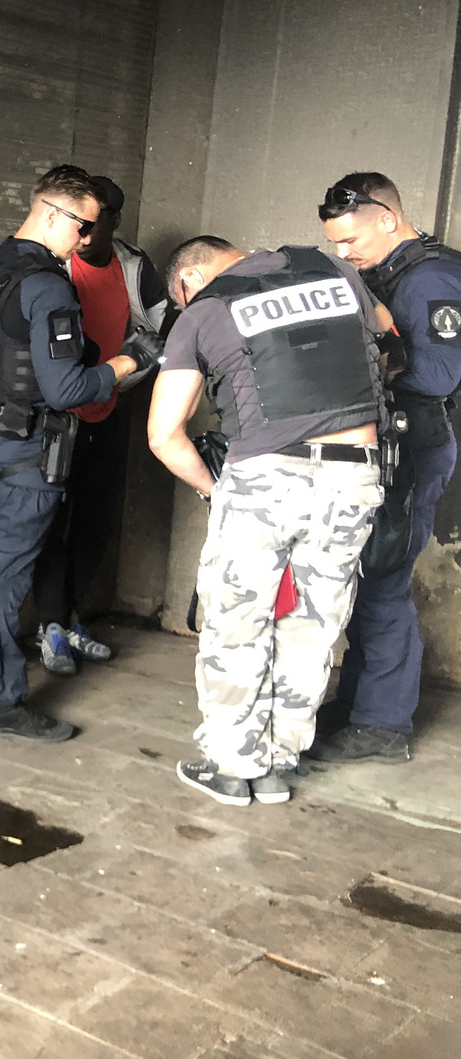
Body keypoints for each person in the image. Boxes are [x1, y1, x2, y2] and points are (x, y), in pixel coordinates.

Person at [149, 235, 388, 806]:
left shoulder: (205, 309)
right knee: (312, 626)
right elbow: (385, 331)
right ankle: (279, 764)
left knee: (238, 622)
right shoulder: (330, 267)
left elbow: (163, 435)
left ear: (187, 282)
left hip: (264, 479)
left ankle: (233, 769)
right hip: (355, 474)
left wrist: (215, 490)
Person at [0, 165, 157, 741]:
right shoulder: (48, 284)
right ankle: (1, 703)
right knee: (4, 576)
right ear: (54, 215)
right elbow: (68, 389)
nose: (86, 241)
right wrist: (131, 360)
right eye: (82, 227)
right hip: (27, 449)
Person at [313, 174, 461, 764]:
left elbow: (438, 377)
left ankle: (383, 723)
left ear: (388, 219)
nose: (344, 253)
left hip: (413, 446)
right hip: (381, 444)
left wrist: (352, 365)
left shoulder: (431, 277)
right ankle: (357, 705)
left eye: (351, 241)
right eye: (336, 244)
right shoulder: (379, 273)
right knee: (365, 577)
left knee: (385, 581)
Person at [33, 175, 170, 676]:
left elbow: (163, 333)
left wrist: (125, 380)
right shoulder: (53, 264)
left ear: (114, 219)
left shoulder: (133, 268)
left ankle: (67, 619)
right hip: (57, 413)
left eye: (96, 222)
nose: (84, 233)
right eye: (79, 222)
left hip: (109, 406)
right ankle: (50, 625)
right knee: (51, 517)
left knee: (95, 520)